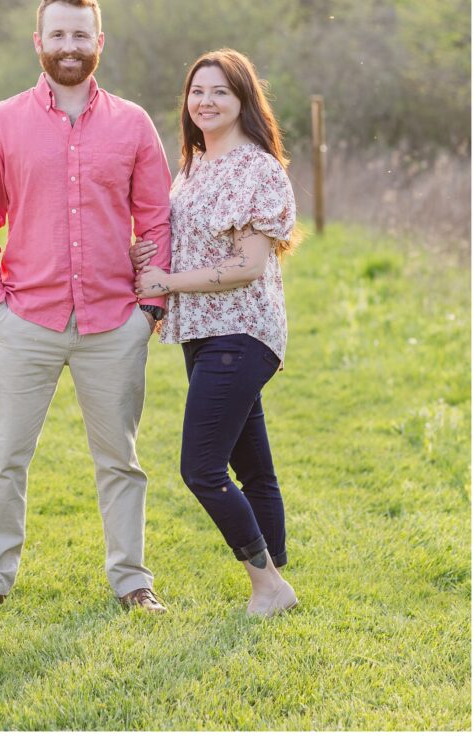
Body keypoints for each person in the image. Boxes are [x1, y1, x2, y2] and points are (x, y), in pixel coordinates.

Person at [0, 0, 172, 613]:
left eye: (81, 35)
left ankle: (132, 582)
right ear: (39, 42)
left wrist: (148, 312)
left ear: (99, 42)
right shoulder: (1, 123)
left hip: (113, 323)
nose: (69, 46)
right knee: (4, 459)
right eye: (58, 35)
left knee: (120, 463)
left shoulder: (133, 124)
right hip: (26, 319)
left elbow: (156, 221)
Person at [131, 48, 299, 617]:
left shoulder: (258, 168)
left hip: (242, 332)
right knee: (252, 466)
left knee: (201, 467)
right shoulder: (195, 165)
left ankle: (268, 586)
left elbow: (250, 265)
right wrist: (146, 257)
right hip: (205, 332)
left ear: (244, 100)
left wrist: (168, 279)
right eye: (197, 91)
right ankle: (275, 577)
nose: (205, 101)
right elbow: (188, 240)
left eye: (220, 91)